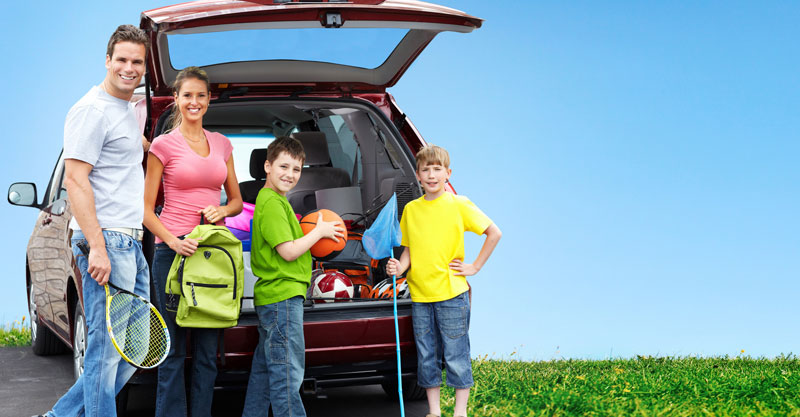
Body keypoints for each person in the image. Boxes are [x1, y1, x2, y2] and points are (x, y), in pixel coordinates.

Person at [35, 25, 151, 417]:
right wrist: (97, 246)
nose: (129, 68)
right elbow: (75, 179)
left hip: (129, 242)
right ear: (107, 60)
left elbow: (123, 160)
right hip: (108, 243)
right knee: (104, 351)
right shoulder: (91, 109)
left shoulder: (125, 109)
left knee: (133, 351)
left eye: (137, 61)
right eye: (121, 59)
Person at [143, 66, 243, 417]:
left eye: (201, 95)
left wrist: (222, 212)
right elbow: (145, 210)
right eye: (187, 95)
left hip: (210, 253)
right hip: (173, 252)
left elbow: (236, 200)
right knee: (172, 348)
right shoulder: (163, 145)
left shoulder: (221, 144)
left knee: (206, 352)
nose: (194, 102)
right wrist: (172, 242)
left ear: (209, 100)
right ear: (176, 99)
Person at [386, 145, 502, 417]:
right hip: (421, 297)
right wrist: (398, 268)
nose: (431, 174)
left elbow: (494, 233)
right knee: (427, 358)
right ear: (417, 175)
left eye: (437, 169)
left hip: (452, 295)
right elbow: (409, 251)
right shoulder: (412, 210)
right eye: (425, 169)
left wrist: (474, 266)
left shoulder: (458, 204)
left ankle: (460, 413)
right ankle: (434, 412)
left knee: (456, 356)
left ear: (448, 173)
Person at [242, 137, 344, 417]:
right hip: (283, 299)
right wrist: (318, 233)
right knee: (287, 374)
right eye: (283, 166)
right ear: (267, 166)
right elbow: (288, 252)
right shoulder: (273, 204)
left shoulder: (275, 200)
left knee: (264, 373)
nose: (289, 174)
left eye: (296, 169)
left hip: (276, 298)